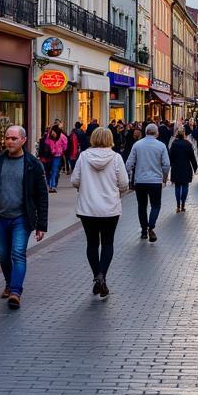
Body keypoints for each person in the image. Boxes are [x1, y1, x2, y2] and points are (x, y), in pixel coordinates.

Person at [0, 126, 48, 309]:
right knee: (3, 255)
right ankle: (9, 284)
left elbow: (42, 196)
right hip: (0, 217)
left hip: (22, 218)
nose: (9, 141)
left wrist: (42, 225)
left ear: (23, 140)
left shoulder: (33, 164)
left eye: (14, 138)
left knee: (18, 253)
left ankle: (16, 292)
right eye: (7, 138)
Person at [71, 126, 129, 297]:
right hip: (110, 209)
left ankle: (97, 275)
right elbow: (124, 183)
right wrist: (117, 191)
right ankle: (102, 275)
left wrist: (85, 187)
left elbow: (75, 180)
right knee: (108, 243)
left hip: (87, 209)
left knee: (92, 243)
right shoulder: (116, 158)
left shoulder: (83, 157)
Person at [126, 122, 170, 242]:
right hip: (155, 181)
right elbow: (166, 164)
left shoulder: (137, 145)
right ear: (157, 133)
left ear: (145, 132)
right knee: (156, 205)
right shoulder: (161, 146)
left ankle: (144, 230)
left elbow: (129, 163)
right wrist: (164, 177)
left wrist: (128, 177)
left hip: (140, 181)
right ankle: (151, 226)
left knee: (142, 206)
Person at [168, 128, 198, 213]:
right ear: (184, 134)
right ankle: (183, 204)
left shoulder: (174, 144)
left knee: (177, 186)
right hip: (186, 167)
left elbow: (170, 156)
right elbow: (192, 157)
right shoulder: (188, 144)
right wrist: (195, 167)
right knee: (185, 186)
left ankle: (178, 205)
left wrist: (169, 165)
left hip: (176, 167)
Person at [39, 124, 67, 193]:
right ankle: (49, 184)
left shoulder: (62, 137)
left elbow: (65, 145)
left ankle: (52, 186)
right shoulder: (49, 136)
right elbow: (46, 144)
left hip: (57, 156)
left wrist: (60, 150)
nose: (52, 133)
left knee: (54, 170)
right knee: (48, 171)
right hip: (50, 155)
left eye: (53, 132)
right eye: (51, 132)